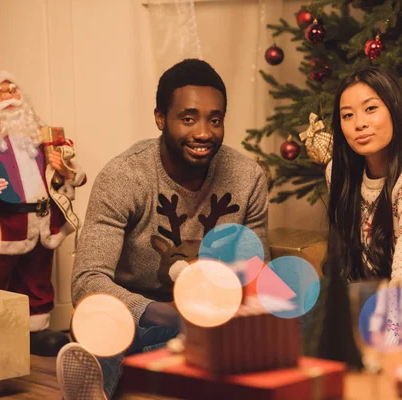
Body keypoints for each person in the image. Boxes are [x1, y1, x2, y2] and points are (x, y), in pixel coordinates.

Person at [56, 59, 270, 400]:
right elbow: (87, 280)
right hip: (138, 315)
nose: (203, 132)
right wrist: (167, 314)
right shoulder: (124, 176)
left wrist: (219, 316)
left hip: (214, 318)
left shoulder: (247, 177)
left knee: (292, 313)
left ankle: (142, 373)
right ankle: (100, 381)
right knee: (100, 318)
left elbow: (255, 275)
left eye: (215, 120)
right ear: (160, 118)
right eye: (188, 118)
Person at [311, 67, 402, 355]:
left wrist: (380, 350)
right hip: (382, 307)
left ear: (394, 110)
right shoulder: (338, 174)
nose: (359, 124)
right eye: (347, 115)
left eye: (370, 109)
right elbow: (349, 260)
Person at [0, 70, 86, 356]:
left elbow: (73, 174)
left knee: (36, 277)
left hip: (40, 222)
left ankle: (34, 330)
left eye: (13, 91)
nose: (10, 98)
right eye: (0, 93)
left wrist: (63, 170)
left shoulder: (41, 137)